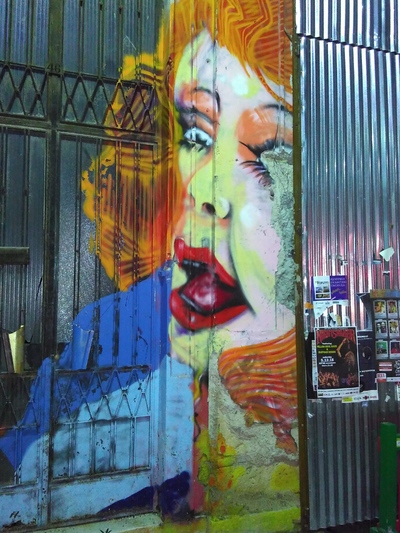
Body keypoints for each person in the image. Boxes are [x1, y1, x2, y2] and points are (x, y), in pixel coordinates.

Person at [0, 0, 297, 517]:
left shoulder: (304, 363)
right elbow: (22, 473)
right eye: (198, 134)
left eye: (261, 151)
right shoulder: (112, 331)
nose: (207, 191)